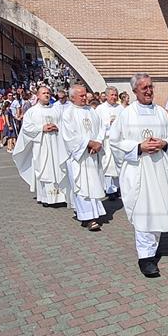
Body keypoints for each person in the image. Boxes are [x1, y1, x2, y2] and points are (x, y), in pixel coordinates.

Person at [110, 74, 168, 278]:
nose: (148, 91)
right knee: (142, 212)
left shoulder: (160, 113)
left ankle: (153, 247)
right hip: (138, 171)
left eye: (150, 87)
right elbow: (114, 141)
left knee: (158, 208)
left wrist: (164, 144)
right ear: (134, 91)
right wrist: (139, 147)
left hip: (158, 169)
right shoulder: (126, 114)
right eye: (144, 88)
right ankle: (145, 258)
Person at [12, 86, 70, 206]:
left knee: (58, 168)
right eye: (44, 93)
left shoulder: (57, 110)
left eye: (48, 93)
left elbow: (65, 124)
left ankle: (61, 197)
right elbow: (27, 129)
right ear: (38, 96)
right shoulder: (32, 112)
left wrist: (57, 127)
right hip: (42, 146)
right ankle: (46, 198)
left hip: (56, 144)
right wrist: (41, 128)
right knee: (45, 169)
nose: (47, 95)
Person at [61, 85, 106, 231]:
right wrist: (89, 143)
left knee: (93, 184)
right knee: (81, 185)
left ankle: (94, 213)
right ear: (72, 97)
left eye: (85, 95)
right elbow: (70, 136)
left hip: (92, 155)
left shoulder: (91, 111)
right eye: (81, 96)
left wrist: (98, 143)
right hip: (78, 157)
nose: (84, 97)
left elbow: (101, 128)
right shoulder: (68, 113)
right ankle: (88, 217)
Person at [94, 86, 124, 199]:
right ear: (106, 96)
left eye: (116, 95)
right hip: (106, 141)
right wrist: (108, 123)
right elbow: (97, 125)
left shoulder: (121, 108)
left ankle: (117, 188)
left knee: (117, 164)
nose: (114, 97)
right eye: (112, 95)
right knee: (106, 164)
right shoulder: (100, 109)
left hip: (118, 141)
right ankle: (109, 189)